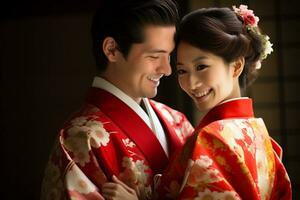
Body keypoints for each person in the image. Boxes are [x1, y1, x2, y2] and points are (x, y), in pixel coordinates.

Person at [40, 0, 194, 199]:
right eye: (155, 56)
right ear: (111, 49)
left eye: (169, 56)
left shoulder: (177, 121)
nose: (167, 69)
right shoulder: (80, 140)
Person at [153, 5, 292, 200]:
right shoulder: (259, 135)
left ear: (236, 66)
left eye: (201, 66)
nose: (191, 83)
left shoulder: (212, 138)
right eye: (182, 71)